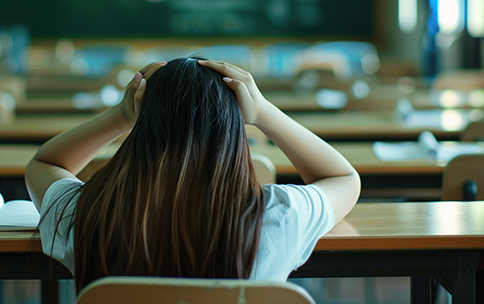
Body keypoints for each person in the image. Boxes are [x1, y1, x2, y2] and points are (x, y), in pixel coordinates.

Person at [25, 57, 360, 293]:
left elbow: (44, 163)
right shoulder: (276, 216)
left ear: (141, 129)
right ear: (233, 128)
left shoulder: (85, 214)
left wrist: (120, 116)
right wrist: (264, 113)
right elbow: (343, 177)